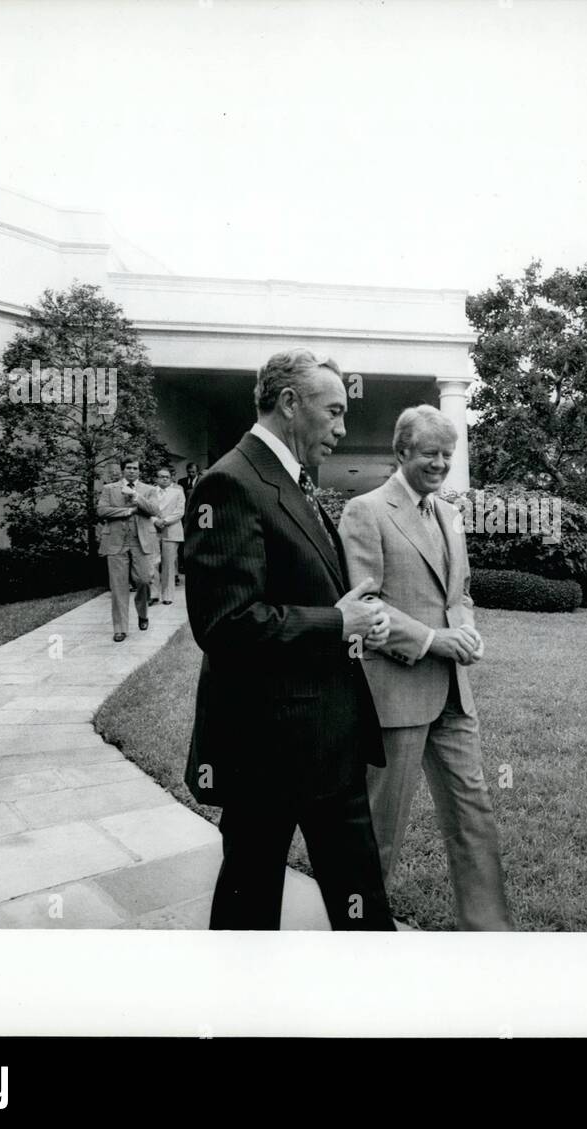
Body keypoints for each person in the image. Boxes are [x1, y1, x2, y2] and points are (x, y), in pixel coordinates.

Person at [183, 347, 397, 931]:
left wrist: (357, 618)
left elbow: (307, 593)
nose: (342, 428)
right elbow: (225, 626)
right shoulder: (230, 483)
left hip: (331, 742)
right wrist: (337, 623)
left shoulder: (289, 479)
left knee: (362, 903)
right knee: (249, 910)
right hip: (265, 752)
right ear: (288, 403)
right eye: (333, 412)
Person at [339, 404, 513, 931]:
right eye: (430, 454)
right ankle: (361, 934)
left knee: (473, 811)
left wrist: (468, 630)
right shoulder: (365, 511)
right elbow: (365, 608)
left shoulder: (449, 514)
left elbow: (456, 593)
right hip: (395, 693)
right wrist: (435, 640)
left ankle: (489, 937)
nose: (440, 464)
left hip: (454, 695)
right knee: (381, 824)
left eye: (447, 454)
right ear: (401, 452)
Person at [96, 456, 161, 641]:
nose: (132, 471)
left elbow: (154, 510)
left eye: (135, 468)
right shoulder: (110, 488)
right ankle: (120, 628)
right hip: (116, 541)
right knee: (118, 586)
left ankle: (143, 613)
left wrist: (136, 497)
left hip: (141, 542)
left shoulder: (149, 490)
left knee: (144, 580)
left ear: (139, 471)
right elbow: (102, 511)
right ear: (123, 470)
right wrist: (127, 511)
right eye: (129, 468)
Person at [149, 466, 186, 605]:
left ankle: (168, 596)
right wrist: (155, 521)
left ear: (171, 479)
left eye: (167, 477)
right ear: (156, 478)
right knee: (152, 563)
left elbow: (180, 511)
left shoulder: (177, 492)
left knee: (169, 565)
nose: (164, 479)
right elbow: (146, 509)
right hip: (153, 530)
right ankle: (153, 594)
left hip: (171, 529)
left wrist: (164, 521)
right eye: (161, 476)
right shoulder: (150, 491)